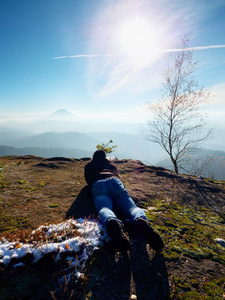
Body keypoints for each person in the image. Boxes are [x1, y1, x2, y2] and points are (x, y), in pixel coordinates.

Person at [84, 149, 164, 252]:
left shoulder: (89, 166)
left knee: (104, 207)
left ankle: (111, 220)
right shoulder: (111, 163)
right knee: (131, 207)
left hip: (98, 184)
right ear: (104, 157)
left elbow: (87, 180)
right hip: (114, 181)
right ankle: (140, 219)